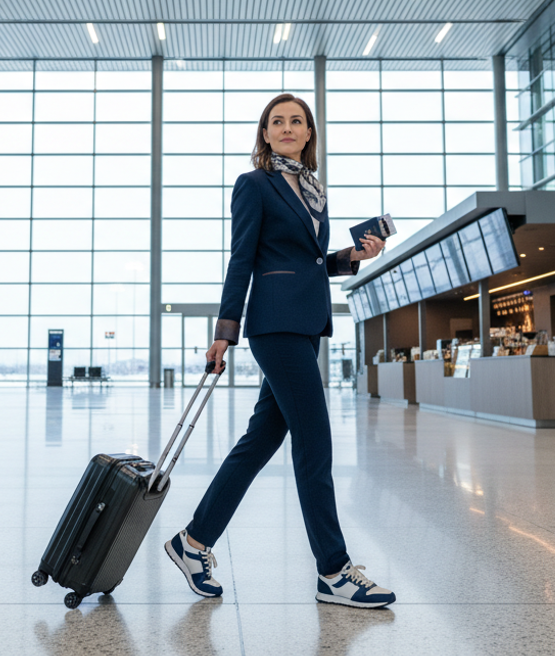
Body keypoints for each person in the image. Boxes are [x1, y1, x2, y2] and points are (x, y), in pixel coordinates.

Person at [165, 93, 396, 610]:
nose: (288, 127)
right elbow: (241, 257)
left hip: (306, 322)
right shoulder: (254, 185)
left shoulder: (313, 190)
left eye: (297, 121)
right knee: (314, 444)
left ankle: (193, 542)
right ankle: (334, 571)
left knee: (259, 441)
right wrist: (225, 329)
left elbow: (309, 261)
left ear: (309, 133)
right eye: (278, 121)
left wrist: (350, 256)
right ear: (265, 134)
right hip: (274, 325)